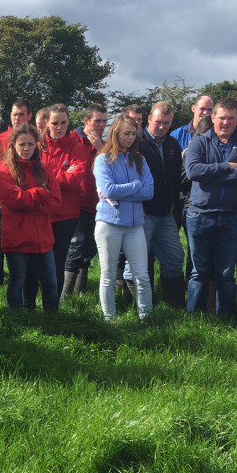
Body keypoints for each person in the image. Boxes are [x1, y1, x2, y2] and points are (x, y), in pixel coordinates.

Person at [183, 97, 237, 316]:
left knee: (225, 272)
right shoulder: (199, 141)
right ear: (213, 117)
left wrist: (212, 175)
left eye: (231, 118)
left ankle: (225, 317)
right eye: (222, 118)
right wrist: (226, 167)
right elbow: (193, 172)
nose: (226, 122)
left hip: (233, 215)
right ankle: (193, 317)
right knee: (199, 271)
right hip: (200, 214)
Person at [123, 101, 185, 307]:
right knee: (135, 264)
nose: (162, 126)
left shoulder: (173, 145)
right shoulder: (136, 143)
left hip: (166, 213)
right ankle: (138, 307)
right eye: (158, 122)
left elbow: (177, 178)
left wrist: (174, 203)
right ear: (149, 118)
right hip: (143, 213)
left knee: (175, 259)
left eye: (167, 123)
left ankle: (171, 306)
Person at [93, 113, 154, 320]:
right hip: (109, 223)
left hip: (135, 225)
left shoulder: (140, 159)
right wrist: (135, 186)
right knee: (108, 275)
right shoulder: (103, 160)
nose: (130, 137)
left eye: (134, 134)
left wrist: (126, 191)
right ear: (115, 133)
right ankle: (109, 319)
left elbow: (150, 191)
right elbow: (109, 190)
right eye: (126, 133)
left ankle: (147, 317)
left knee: (142, 276)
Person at [0, 124, 63, 311]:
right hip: (16, 237)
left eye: (30, 144)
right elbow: (13, 200)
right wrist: (41, 192)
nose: (26, 149)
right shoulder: (5, 171)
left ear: (36, 146)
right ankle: (18, 319)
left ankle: (52, 318)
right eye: (22, 145)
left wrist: (29, 201)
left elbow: (55, 202)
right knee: (17, 280)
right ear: (13, 146)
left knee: (50, 282)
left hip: (42, 236)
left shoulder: (44, 170)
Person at [38, 104, 88, 299]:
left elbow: (76, 179)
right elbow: (29, 176)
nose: (59, 127)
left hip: (65, 214)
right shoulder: (38, 145)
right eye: (55, 123)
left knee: (57, 260)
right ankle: (31, 305)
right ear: (47, 123)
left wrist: (46, 175)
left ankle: (52, 306)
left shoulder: (77, 146)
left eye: (63, 123)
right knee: (38, 259)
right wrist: (63, 174)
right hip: (39, 211)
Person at [0, 100, 33, 289]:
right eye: (14, 114)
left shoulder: (34, 141)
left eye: (21, 114)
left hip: (24, 201)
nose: (17, 118)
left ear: (29, 116)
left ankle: (20, 283)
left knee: (21, 245)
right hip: (0, 202)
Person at [65, 103, 108, 293]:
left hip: (97, 204)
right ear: (86, 121)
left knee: (90, 247)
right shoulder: (72, 140)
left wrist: (100, 149)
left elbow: (111, 167)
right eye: (97, 121)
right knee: (76, 246)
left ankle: (79, 292)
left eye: (105, 121)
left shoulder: (104, 144)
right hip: (75, 203)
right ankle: (64, 298)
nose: (101, 125)